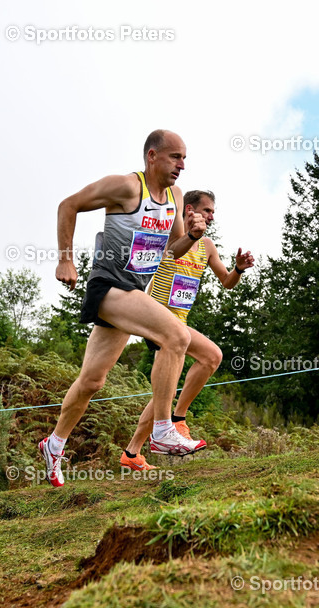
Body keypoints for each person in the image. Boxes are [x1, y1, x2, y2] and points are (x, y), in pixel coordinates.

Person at [39, 130, 208, 487]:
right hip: (109, 287)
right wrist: (65, 260)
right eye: (175, 156)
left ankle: (53, 444)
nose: (182, 165)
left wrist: (192, 236)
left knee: (92, 381)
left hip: (132, 291)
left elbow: (173, 251)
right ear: (152, 156)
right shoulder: (127, 187)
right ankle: (162, 429)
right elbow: (68, 205)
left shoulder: (175, 196)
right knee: (176, 337)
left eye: (184, 158)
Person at [121, 190, 254, 462]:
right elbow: (164, 252)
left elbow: (227, 282)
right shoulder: (171, 234)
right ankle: (176, 420)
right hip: (157, 319)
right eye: (207, 210)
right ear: (190, 209)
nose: (211, 216)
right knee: (176, 383)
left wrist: (238, 269)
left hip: (179, 324)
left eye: (213, 212)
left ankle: (133, 452)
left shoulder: (207, 246)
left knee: (205, 362)